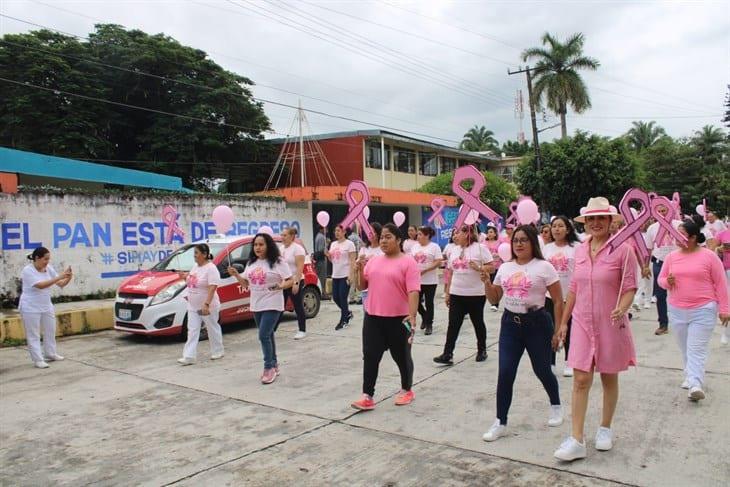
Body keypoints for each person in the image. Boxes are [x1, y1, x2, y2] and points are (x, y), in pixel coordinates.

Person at [553, 197, 638, 462]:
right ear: (585, 223)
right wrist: (564, 322)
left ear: (611, 221)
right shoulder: (580, 250)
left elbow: (630, 288)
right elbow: (575, 288)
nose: (596, 223)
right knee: (580, 379)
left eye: (601, 218)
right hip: (581, 323)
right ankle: (577, 438)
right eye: (591, 219)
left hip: (610, 323)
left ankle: (605, 427)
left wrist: (622, 308)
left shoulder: (624, 250)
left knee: (608, 377)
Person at [481, 225, 564, 442]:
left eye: (523, 240)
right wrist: (486, 283)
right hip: (510, 324)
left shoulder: (544, 267)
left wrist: (558, 330)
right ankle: (500, 420)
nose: (518, 244)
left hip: (537, 324)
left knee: (543, 370)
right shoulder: (505, 268)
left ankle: (556, 404)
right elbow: (494, 298)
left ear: (532, 243)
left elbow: (557, 300)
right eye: (515, 240)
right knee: (505, 372)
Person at [657, 217, 729, 401]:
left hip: (703, 308)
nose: (679, 239)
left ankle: (695, 383)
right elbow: (661, 281)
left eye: (683, 235)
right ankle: (690, 375)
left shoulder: (709, 256)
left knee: (696, 347)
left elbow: (721, 283)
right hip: (677, 309)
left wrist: (725, 308)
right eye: (676, 235)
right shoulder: (672, 257)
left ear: (695, 237)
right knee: (684, 347)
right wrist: (667, 281)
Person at [351, 223, 421, 410]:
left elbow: (413, 290)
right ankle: (367, 395)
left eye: (388, 237)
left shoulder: (408, 262)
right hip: (373, 318)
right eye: (381, 237)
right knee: (370, 356)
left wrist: (412, 315)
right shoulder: (373, 261)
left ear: (399, 240)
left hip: (400, 319)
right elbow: (361, 287)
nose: (383, 240)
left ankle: (407, 389)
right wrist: (358, 269)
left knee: (402, 357)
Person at [229, 233, 294, 384]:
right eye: (255, 245)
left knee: (263, 335)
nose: (257, 247)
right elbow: (246, 284)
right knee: (268, 334)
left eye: (261, 244)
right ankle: (275, 363)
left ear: (268, 246)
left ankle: (268, 368)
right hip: (256, 304)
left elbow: (290, 280)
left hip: (273, 302)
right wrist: (236, 275)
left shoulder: (277, 262)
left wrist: (281, 285)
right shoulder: (251, 263)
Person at [434, 224, 493, 365]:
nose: (455, 236)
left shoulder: (480, 249)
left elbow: (492, 267)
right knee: (453, 324)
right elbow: (451, 272)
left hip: (475, 294)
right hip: (456, 293)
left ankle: (482, 350)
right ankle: (447, 353)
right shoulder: (454, 250)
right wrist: (448, 292)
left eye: (458, 233)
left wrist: (479, 268)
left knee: (477, 322)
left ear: (468, 234)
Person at [19, 247, 72, 368]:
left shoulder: (48, 268)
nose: (47, 262)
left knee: (50, 330)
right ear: (37, 258)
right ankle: (38, 359)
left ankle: (50, 353)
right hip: (30, 306)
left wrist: (68, 277)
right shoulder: (27, 270)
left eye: (48, 259)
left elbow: (61, 284)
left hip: (46, 305)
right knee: (33, 334)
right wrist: (60, 276)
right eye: (45, 259)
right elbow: (41, 285)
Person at [543, 215, 579, 377]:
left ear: (568, 229)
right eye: (554, 226)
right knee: (551, 329)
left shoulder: (577, 247)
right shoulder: (547, 248)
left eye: (560, 226)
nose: (556, 229)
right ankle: (550, 362)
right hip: (549, 296)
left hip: (571, 296)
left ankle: (569, 362)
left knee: (570, 329)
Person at [176, 244, 224, 365]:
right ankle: (189, 356)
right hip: (193, 306)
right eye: (194, 253)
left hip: (207, 306)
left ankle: (218, 350)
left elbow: (212, 287)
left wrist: (206, 304)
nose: (194, 256)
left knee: (212, 327)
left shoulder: (211, 268)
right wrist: (184, 278)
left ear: (204, 254)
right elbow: (192, 282)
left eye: (196, 253)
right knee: (192, 330)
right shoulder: (195, 267)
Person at [645, 203, 681, 335]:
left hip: (678, 263)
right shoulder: (652, 228)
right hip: (659, 263)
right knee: (660, 295)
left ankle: (682, 322)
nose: (662, 213)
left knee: (680, 292)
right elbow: (648, 249)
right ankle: (663, 324)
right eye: (659, 211)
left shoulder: (679, 225)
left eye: (664, 210)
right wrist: (645, 266)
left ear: (670, 210)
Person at [411, 226, 443, 335]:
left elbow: (438, 261)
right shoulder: (414, 247)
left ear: (427, 235)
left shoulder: (434, 247)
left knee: (429, 303)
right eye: (418, 234)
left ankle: (429, 324)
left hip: (430, 280)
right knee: (416, 302)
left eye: (420, 234)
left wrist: (425, 270)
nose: (418, 236)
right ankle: (424, 316)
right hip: (416, 280)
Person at [326, 224, 356, 330]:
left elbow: (353, 261)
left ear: (344, 232)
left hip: (345, 275)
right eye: (335, 230)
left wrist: (351, 275)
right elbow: (333, 260)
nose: (336, 232)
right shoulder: (333, 244)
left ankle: (343, 320)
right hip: (335, 274)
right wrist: (329, 256)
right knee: (336, 298)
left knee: (343, 298)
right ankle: (347, 313)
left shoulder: (350, 244)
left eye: (339, 230)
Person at [280, 228, 307, 340]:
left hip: (296, 280)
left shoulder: (298, 249)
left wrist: (296, 283)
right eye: (281, 235)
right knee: (280, 306)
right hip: (284, 281)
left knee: (297, 305)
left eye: (285, 235)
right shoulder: (281, 249)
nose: (282, 237)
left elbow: (300, 268)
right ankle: (273, 328)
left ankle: (302, 330)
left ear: (292, 236)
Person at [356, 222, 384, 311]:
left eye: (373, 232)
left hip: (380, 288)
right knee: (368, 316)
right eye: (368, 232)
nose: (370, 234)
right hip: (366, 289)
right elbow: (357, 266)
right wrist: (359, 263)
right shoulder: (363, 249)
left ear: (378, 233)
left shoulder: (383, 249)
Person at [483, 225, 502, 312]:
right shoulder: (484, 243)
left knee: (495, 284)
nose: (489, 234)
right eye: (488, 232)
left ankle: (495, 304)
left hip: (497, 266)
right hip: (488, 267)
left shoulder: (499, 242)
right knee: (488, 283)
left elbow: (503, 252)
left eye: (491, 232)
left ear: (495, 234)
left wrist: (497, 255)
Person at [347, 225, 363, 305]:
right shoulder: (359, 238)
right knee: (359, 279)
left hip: (351, 260)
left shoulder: (349, 238)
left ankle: (351, 298)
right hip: (358, 259)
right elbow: (361, 247)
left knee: (352, 280)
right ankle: (360, 297)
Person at [312, 226, 329, 299]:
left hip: (318, 260)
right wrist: (327, 244)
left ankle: (322, 292)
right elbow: (321, 249)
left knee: (319, 276)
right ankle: (323, 293)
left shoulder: (317, 236)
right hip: (321, 260)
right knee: (322, 277)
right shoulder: (322, 237)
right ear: (322, 229)